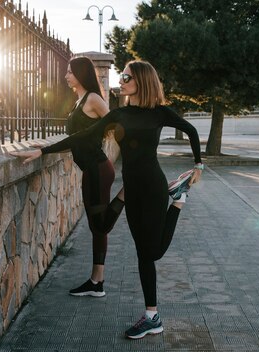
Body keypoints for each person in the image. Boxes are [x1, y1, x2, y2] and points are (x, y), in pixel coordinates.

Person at [10, 60, 203, 339]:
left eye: (126, 77)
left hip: (152, 186)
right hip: (132, 188)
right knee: (142, 254)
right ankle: (152, 316)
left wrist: (199, 165)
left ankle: (178, 200)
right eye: (122, 76)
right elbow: (81, 136)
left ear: (142, 82)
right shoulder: (120, 115)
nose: (121, 80)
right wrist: (42, 151)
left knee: (154, 253)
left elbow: (192, 131)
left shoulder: (160, 113)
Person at [11, 56, 125, 298]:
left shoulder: (93, 99)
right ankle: (97, 281)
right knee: (97, 227)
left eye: (70, 71)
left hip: (99, 169)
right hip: (91, 170)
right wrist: (41, 151)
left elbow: (117, 125)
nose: (66, 76)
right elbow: (75, 142)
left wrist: (128, 151)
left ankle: (126, 194)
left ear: (81, 74)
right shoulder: (79, 101)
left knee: (99, 226)